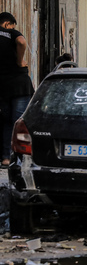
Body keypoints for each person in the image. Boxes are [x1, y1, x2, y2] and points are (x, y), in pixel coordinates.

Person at [0, 12, 35, 168]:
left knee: (7, 123)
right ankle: (20, 159)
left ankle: (6, 158)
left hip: (3, 86)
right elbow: (21, 41)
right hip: (20, 86)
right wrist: (20, 61)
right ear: (7, 24)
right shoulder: (9, 32)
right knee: (19, 123)